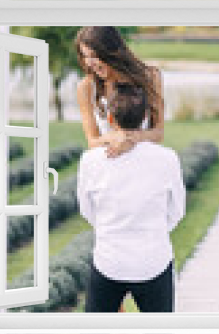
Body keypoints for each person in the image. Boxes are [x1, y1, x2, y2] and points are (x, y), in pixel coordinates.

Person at [77, 83, 186, 313]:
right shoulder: (168, 158)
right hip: (153, 260)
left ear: (110, 118)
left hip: (109, 261)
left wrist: (110, 227)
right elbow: (176, 211)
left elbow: (87, 210)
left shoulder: (91, 160)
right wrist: (153, 230)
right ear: (145, 117)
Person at [74, 26, 165, 158]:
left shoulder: (151, 77)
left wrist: (129, 139)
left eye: (94, 56)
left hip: (145, 161)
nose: (89, 63)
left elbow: (158, 133)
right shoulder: (86, 88)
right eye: (85, 56)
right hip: (110, 164)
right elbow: (92, 141)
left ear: (112, 51)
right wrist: (117, 138)